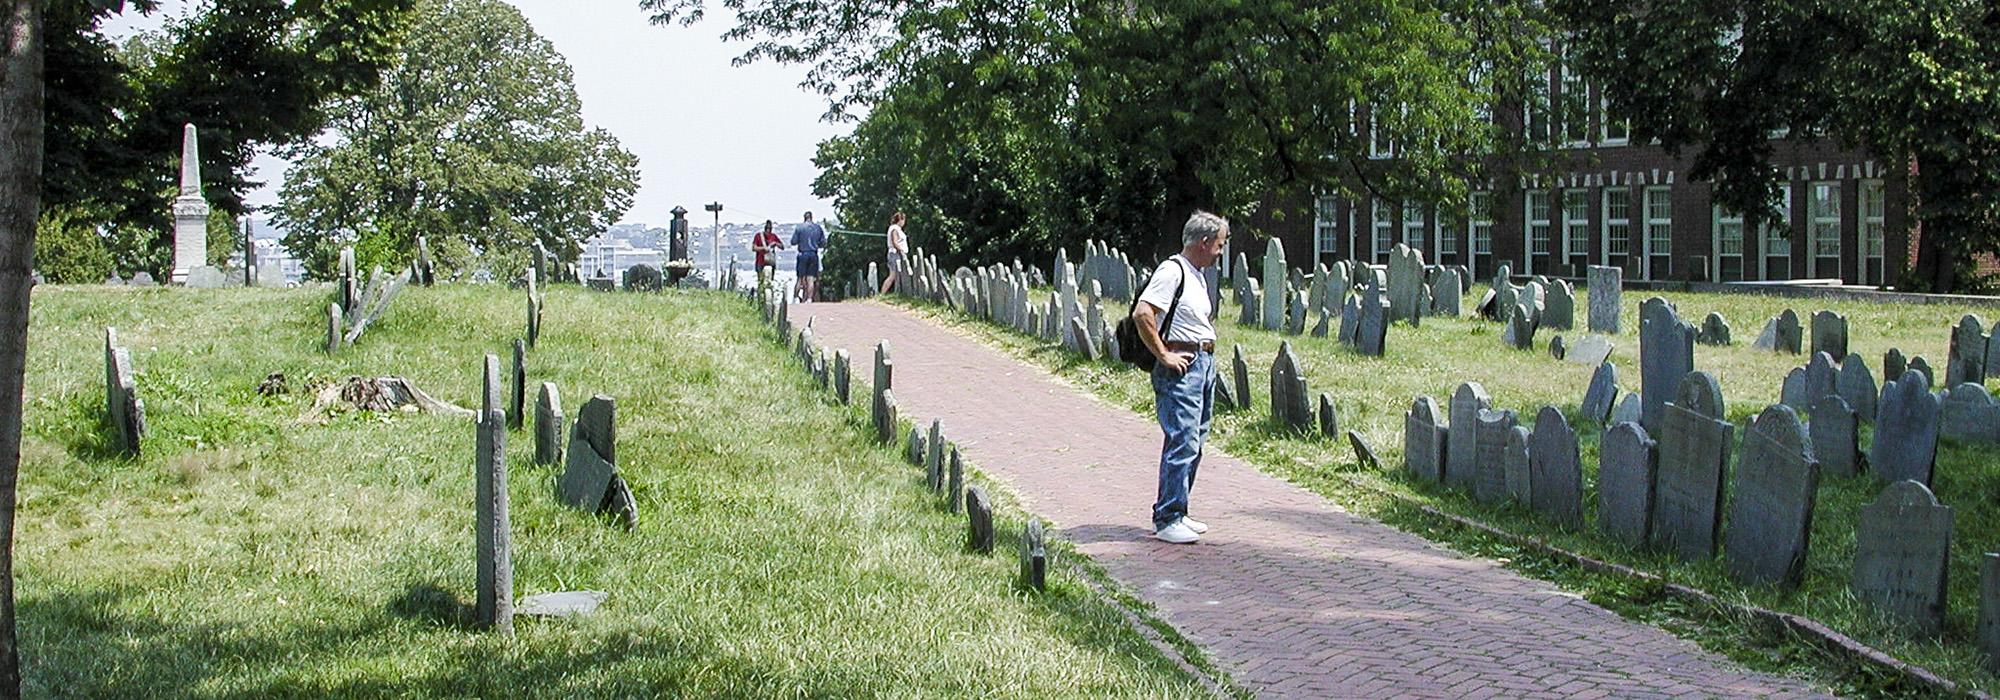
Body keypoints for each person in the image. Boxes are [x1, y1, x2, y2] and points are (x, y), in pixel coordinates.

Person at [1131, 210, 1227, 544]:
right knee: (1182, 439)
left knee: (1195, 440)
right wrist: (1163, 355)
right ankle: (1167, 517)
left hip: (1203, 362)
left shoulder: (1196, 274)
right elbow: (1143, 313)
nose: (1220, 251)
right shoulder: (1172, 271)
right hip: (1181, 365)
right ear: (1203, 242)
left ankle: (1179, 510)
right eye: (1219, 244)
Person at [791, 211, 827, 302]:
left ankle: (795, 298)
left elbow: (793, 242)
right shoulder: (818, 228)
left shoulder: (799, 228)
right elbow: (823, 243)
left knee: (800, 278)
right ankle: (809, 299)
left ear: (804, 218)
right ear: (812, 217)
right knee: (811, 279)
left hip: (803, 254)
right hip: (813, 254)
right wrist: (816, 244)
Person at [880, 211, 908, 295]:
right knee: (893, 275)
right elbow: (895, 242)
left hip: (896, 253)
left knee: (897, 275)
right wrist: (901, 251)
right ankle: (882, 293)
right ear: (901, 220)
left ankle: (898, 292)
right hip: (895, 254)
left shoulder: (895, 229)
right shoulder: (895, 229)